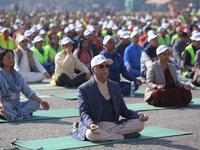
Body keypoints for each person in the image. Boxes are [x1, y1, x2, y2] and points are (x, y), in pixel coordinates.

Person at [70, 55, 148, 141]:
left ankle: (108, 135)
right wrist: (90, 125)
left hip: (114, 125)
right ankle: (123, 136)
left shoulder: (115, 86)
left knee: (140, 124)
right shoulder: (84, 88)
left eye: (107, 66)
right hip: (96, 125)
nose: (105, 68)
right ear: (92, 70)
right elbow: (83, 113)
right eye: (101, 66)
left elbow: (123, 110)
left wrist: (138, 115)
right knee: (91, 134)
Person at [0, 49, 50, 121]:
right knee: (5, 106)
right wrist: (1, 104)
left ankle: (13, 115)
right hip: (3, 104)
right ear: (1, 60)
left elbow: (27, 91)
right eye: (8, 57)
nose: (11, 59)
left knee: (36, 103)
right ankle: (21, 114)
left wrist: (41, 101)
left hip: (17, 106)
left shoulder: (17, 75)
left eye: (12, 57)